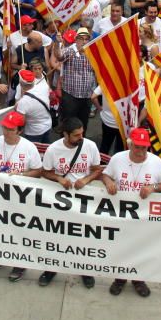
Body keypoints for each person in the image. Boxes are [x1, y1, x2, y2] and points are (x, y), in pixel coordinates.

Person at [101, 127, 161, 297]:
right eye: (137, 146)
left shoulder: (156, 162)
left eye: (144, 147)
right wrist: (109, 183)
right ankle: (120, 278)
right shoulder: (118, 159)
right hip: (120, 215)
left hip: (144, 217)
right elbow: (105, 175)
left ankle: (138, 279)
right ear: (130, 144)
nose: (140, 151)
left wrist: (152, 187)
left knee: (141, 249)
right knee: (120, 247)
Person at [38, 117, 103, 287]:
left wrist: (86, 179)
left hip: (83, 201)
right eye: (76, 135)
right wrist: (59, 178)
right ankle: (51, 269)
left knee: (83, 238)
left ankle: (85, 270)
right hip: (60, 200)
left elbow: (97, 170)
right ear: (65, 134)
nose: (80, 138)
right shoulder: (53, 149)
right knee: (57, 237)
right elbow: (45, 172)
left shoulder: (90, 146)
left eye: (82, 133)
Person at [0, 110, 42, 282]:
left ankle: (19, 265)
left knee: (20, 232)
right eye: (5, 128)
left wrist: (21, 175)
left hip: (20, 199)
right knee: (0, 229)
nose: (6, 132)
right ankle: (1, 256)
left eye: (10, 129)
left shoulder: (29, 147)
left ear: (20, 131)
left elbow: (38, 171)